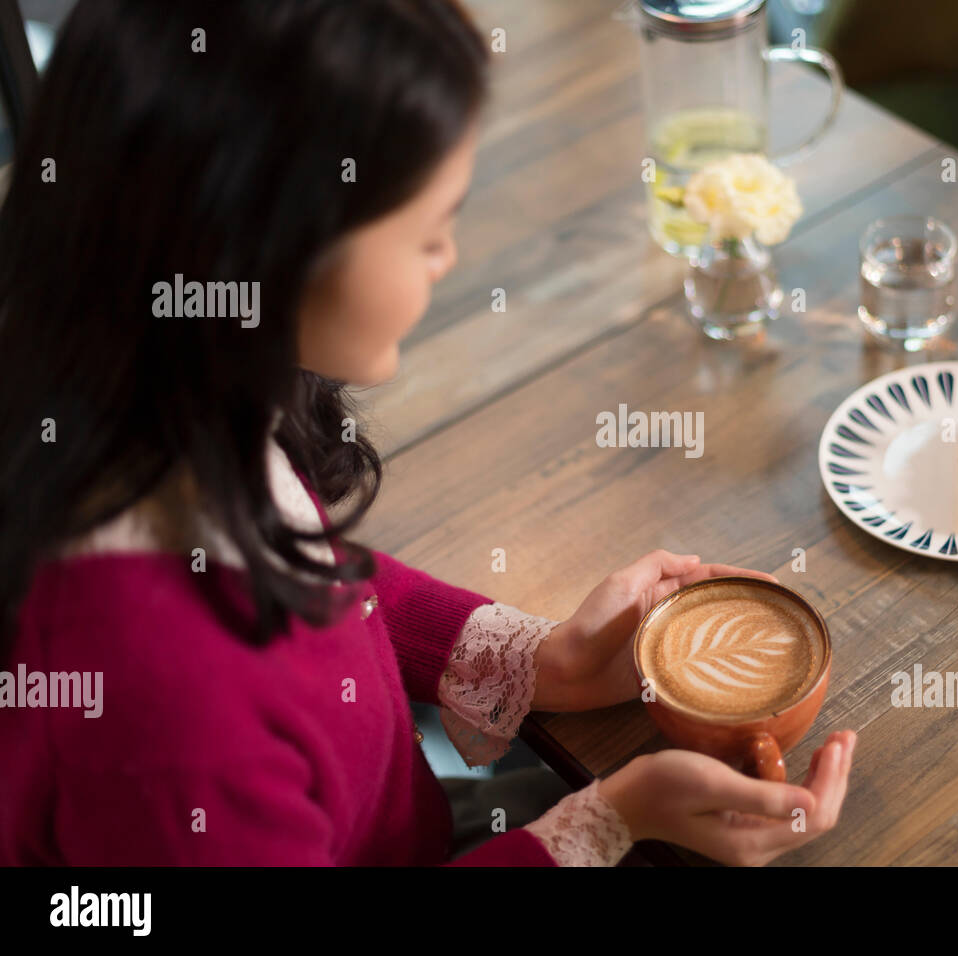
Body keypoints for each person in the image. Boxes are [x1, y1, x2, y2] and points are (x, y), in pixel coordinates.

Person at [0, 0, 854, 867]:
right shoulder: (171, 726)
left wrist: (539, 661)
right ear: (269, 250)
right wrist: (609, 823)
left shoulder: (162, 409)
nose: (449, 258)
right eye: (428, 230)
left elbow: (324, 591)